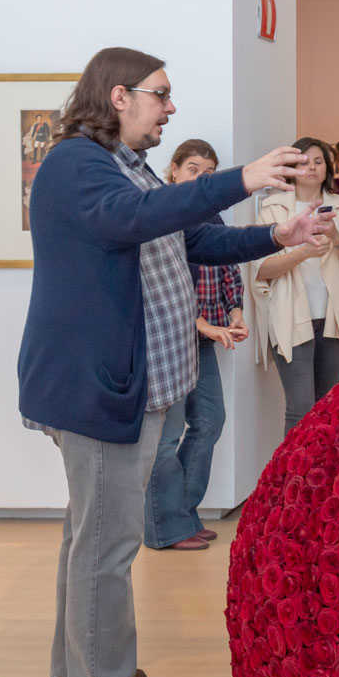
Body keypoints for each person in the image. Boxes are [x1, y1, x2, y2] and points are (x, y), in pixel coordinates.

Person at [19, 47, 332, 677]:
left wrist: (278, 232)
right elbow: (138, 220)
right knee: (105, 544)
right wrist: (243, 177)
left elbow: (193, 239)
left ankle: (74, 675)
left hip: (127, 382)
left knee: (88, 535)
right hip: (98, 385)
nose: (170, 109)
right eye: (161, 95)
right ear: (120, 95)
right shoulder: (77, 162)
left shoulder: (123, 167)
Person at [143, 139, 247, 552]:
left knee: (209, 422)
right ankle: (164, 528)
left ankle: (182, 516)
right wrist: (201, 323)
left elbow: (227, 267)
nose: (200, 178)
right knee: (165, 439)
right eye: (192, 169)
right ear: (173, 171)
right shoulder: (161, 213)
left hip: (203, 342)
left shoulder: (212, 216)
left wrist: (235, 311)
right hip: (168, 342)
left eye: (208, 172)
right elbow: (158, 283)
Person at [251, 137, 339, 435]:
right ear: (291, 168)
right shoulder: (273, 208)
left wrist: (336, 238)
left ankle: (323, 477)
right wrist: (303, 251)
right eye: (303, 162)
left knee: (328, 405)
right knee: (301, 407)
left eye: (318, 162)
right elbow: (261, 269)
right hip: (290, 317)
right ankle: (292, 479)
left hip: (333, 320)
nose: (311, 168)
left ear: (329, 168)